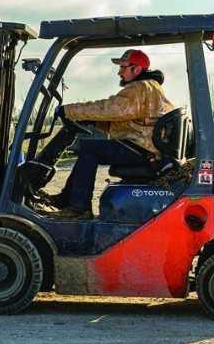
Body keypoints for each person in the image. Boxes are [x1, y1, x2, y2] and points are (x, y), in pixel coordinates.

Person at [35, 49, 175, 218]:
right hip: (145, 147)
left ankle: (79, 208)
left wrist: (69, 110)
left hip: (143, 150)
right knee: (91, 148)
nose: (119, 72)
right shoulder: (150, 87)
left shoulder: (140, 88)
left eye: (123, 67)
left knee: (89, 150)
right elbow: (130, 123)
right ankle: (66, 199)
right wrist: (94, 122)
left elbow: (111, 108)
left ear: (137, 69)